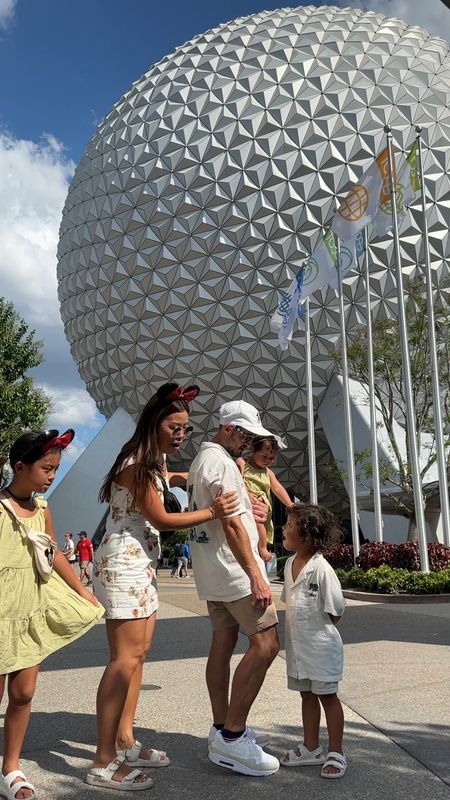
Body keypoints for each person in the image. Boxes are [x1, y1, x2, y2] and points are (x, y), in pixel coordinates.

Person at [89, 382, 239, 792]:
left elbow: (165, 479)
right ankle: (103, 760)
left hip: (141, 563)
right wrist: (213, 510)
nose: (180, 434)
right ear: (154, 424)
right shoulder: (137, 463)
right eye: (174, 426)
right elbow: (162, 518)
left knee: (138, 655)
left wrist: (182, 473)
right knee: (124, 658)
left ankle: (125, 740)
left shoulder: (151, 463)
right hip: (123, 563)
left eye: (186, 428)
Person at [0, 429, 103, 800]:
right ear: (20, 466)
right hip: (1, 612)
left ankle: (10, 767)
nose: (51, 477)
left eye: (56, 469)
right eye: (46, 468)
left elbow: (53, 551)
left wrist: (80, 589)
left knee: (24, 693)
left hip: (30, 608)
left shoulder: (42, 508)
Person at [187, 399, 281, 778]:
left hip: (214, 572)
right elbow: (230, 524)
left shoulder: (203, 461)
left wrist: (258, 511)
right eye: (246, 435)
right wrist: (257, 576)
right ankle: (232, 735)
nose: (249, 443)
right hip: (236, 571)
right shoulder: (222, 463)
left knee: (222, 646)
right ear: (229, 428)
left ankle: (220, 726)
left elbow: (234, 514)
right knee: (267, 643)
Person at [280, 503, 347, 779]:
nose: (283, 529)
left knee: (327, 697)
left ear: (306, 536)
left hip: (321, 649)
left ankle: (336, 751)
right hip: (298, 649)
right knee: (306, 695)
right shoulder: (288, 564)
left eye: (289, 526)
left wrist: (318, 633)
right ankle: (311, 747)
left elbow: (336, 610)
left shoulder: (322, 569)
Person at [236, 436, 292, 563]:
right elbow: (236, 480)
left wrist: (290, 504)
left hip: (262, 508)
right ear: (253, 450)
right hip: (249, 503)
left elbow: (277, 488)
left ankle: (261, 547)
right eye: (264, 456)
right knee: (258, 524)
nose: (268, 461)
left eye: (271, 458)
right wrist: (245, 493)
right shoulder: (243, 463)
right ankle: (262, 548)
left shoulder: (268, 472)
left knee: (260, 524)